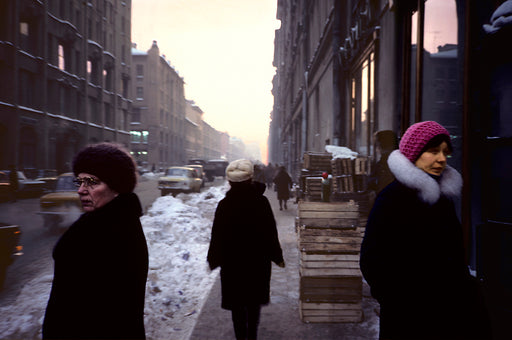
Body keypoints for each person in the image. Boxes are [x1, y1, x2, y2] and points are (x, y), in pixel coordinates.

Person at [360, 121, 491, 339]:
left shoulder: (443, 198)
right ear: (413, 155)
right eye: (433, 151)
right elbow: (371, 261)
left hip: (450, 316)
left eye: (445, 152)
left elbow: (455, 257)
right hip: (409, 319)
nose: (441, 159)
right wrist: (398, 301)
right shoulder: (392, 198)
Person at [43, 142, 149, 340]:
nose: (81, 190)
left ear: (116, 185)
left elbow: (100, 311)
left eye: (92, 182)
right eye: (80, 182)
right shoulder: (112, 222)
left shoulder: (108, 232)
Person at [207, 159, 285, 340]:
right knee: (253, 303)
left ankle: (241, 337)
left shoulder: (225, 205)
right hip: (257, 263)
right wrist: (277, 256)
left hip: (232, 265)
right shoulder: (261, 202)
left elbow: (217, 236)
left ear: (230, 182)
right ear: (250, 179)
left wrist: (214, 259)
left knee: (237, 306)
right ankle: (252, 336)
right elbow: (270, 233)